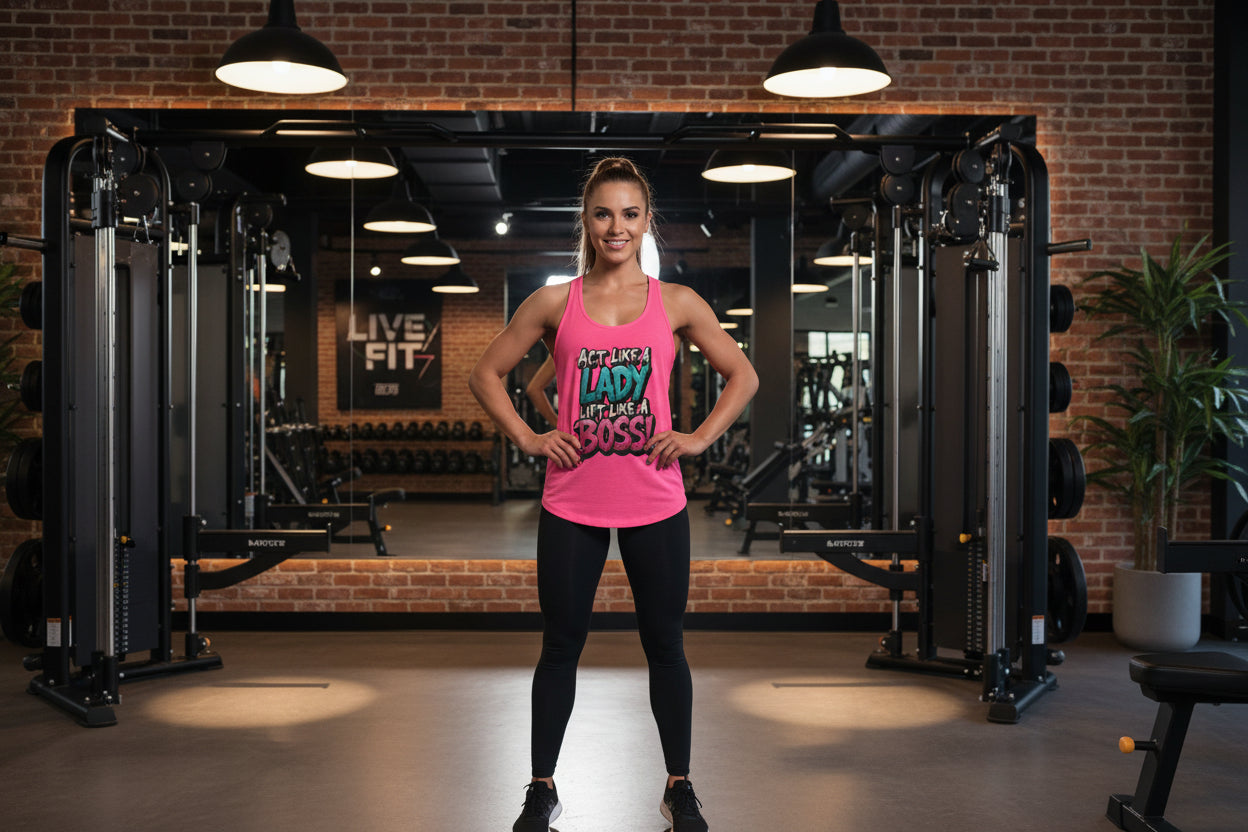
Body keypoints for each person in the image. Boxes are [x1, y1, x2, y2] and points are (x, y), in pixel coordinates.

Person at [468, 157, 758, 832]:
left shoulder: (676, 302)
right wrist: (530, 438)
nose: (616, 226)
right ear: (587, 221)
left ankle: (679, 787)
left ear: (646, 221)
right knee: (560, 646)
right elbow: (486, 374)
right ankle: (541, 789)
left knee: (666, 646)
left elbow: (743, 375)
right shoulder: (554, 302)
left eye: (629, 213)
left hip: (656, 499)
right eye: (603, 213)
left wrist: (698, 438)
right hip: (573, 501)